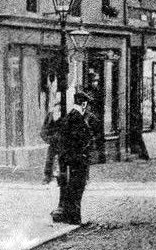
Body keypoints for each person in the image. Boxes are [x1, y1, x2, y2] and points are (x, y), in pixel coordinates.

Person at [51, 93, 96, 224]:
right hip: (77, 161)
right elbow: (78, 141)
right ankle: (74, 218)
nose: (88, 109)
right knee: (77, 188)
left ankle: (72, 217)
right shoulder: (77, 118)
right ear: (84, 104)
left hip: (73, 161)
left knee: (75, 188)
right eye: (87, 106)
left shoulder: (71, 117)